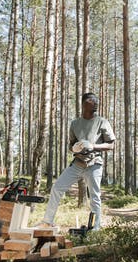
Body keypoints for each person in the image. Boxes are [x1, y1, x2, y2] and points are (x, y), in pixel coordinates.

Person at [37, 92, 116, 230]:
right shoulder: (75, 123)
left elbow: (111, 145)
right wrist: (74, 149)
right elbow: (70, 145)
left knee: (94, 196)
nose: (96, 103)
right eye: (93, 101)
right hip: (77, 164)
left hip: (94, 164)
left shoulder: (102, 122)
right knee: (57, 188)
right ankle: (47, 221)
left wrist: (93, 146)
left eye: (97, 101)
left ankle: (96, 229)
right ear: (84, 104)